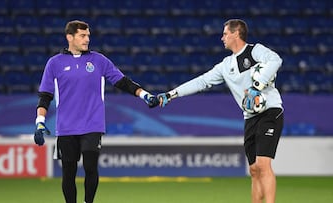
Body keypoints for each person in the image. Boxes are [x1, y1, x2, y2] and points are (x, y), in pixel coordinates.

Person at [158, 19, 284, 203]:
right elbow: (201, 81)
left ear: (236, 33)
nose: (222, 37)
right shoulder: (226, 65)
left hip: (270, 112)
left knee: (263, 165)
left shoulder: (255, 50)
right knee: (254, 170)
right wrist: (171, 94)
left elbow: (275, 60)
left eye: (225, 33)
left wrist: (257, 85)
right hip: (250, 118)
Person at [33, 20, 159, 203]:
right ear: (70, 37)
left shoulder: (99, 60)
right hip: (66, 127)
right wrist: (39, 122)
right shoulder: (54, 63)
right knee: (69, 172)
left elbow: (123, 82)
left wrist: (145, 95)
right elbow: (45, 96)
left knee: (91, 166)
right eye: (82, 36)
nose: (87, 39)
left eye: (88, 36)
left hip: (93, 124)